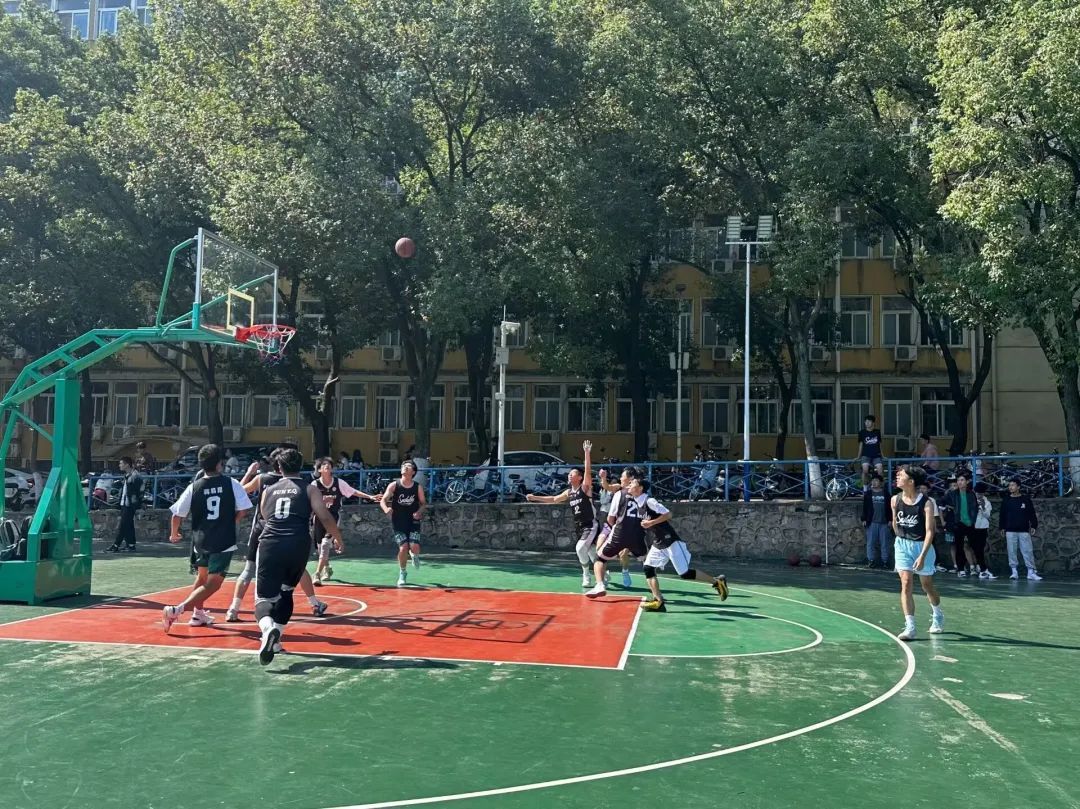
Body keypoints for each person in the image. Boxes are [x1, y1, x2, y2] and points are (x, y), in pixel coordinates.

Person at [254, 447, 345, 665]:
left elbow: (265, 515)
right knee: (286, 591)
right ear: (301, 466)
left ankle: (267, 629)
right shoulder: (310, 489)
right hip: (298, 543)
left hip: (271, 543)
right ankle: (276, 639)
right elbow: (324, 516)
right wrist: (338, 538)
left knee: (263, 598)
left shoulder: (269, 490)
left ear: (279, 467)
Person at [224, 446, 328, 622]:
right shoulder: (297, 483)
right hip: (287, 533)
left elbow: (239, 491)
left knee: (249, 570)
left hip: (262, 530)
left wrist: (249, 473)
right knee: (298, 569)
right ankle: (314, 603)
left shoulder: (262, 478)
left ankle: (233, 609)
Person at [163, 444, 252, 631]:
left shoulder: (194, 487)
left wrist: (174, 533)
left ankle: (198, 614)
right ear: (220, 464)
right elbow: (244, 509)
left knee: (202, 577)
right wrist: (232, 522)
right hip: (223, 541)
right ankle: (177, 610)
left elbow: (177, 515)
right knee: (213, 584)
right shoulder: (231, 483)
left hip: (201, 540)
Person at [637, 483, 729, 612]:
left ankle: (717, 582)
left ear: (640, 487)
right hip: (659, 542)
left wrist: (651, 522)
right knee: (648, 568)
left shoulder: (649, 501)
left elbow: (668, 514)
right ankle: (658, 601)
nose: (629, 486)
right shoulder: (638, 503)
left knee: (685, 573)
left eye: (632, 483)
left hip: (671, 541)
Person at [526, 440, 601, 588]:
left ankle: (586, 575)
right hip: (579, 527)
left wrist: (587, 453)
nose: (569, 476)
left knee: (580, 549)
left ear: (579, 477)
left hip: (590, 525)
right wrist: (535, 497)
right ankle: (603, 574)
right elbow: (554, 499)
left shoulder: (585, 489)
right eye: (569, 474)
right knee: (592, 553)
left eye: (572, 474)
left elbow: (587, 471)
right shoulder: (568, 492)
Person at [891, 464, 944, 640]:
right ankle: (910, 626)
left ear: (911, 481)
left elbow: (930, 531)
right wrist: (900, 541)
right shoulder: (895, 500)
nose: (897, 476)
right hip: (902, 544)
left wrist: (922, 556)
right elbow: (895, 523)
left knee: (926, 585)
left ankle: (937, 614)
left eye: (901, 475)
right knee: (906, 582)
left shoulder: (926, 503)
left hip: (922, 546)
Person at [310, 456, 381, 585]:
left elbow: (353, 492)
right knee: (320, 548)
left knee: (325, 544)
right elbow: (309, 501)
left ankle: (317, 574)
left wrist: (370, 497)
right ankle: (327, 568)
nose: (327, 466)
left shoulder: (339, 483)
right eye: (324, 465)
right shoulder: (315, 485)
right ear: (319, 469)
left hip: (333, 518)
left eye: (329, 464)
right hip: (319, 519)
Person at [585, 467, 651, 599]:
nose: (620, 478)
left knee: (599, 558)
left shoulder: (620, 494)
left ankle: (600, 585)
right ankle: (656, 592)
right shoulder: (645, 497)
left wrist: (610, 531)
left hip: (620, 533)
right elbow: (649, 517)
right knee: (648, 562)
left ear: (630, 479)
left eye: (622, 476)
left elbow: (611, 519)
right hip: (638, 535)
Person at [381, 459, 427, 586]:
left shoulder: (417, 487)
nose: (405, 467)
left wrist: (419, 511)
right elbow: (383, 500)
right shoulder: (394, 485)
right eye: (404, 466)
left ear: (413, 472)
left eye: (408, 466)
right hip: (398, 521)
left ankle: (415, 555)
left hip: (413, 521)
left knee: (414, 546)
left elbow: (423, 503)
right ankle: (402, 572)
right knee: (403, 547)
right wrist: (386, 509)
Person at [944, 473, 991, 578]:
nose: (959, 482)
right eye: (958, 480)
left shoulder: (971, 494)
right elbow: (944, 503)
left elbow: (975, 508)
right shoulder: (953, 494)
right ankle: (961, 569)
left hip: (970, 524)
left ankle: (983, 569)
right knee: (959, 547)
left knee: (977, 547)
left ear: (967, 482)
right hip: (958, 524)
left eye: (962, 480)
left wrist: (972, 520)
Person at [999, 477, 1042, 581]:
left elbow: (1031, 513)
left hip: (1023, 530)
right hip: (1010, 530)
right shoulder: (1006, 500)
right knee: (1012, 551)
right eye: (1009, 485)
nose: (1010, 487)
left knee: (1028, 551)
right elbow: (1002, 515)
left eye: (1013, 485)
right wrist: (1002, 527)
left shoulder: (1025, 499)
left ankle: (1031, 572)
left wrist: (1034, 525)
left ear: (1018, 487)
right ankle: (1014, 571)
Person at [597, 468, 632, 587]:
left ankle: (625, 571)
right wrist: (603, 477)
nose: (621, 479)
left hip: (624, 527)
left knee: (623, 554)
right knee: (599, 549)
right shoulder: (618, 488)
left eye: (622, 476)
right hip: (609, 525)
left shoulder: (634, 491)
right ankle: (603, 577)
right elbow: (607, 487)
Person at [105, 456, 143, 553]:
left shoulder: (135, 476)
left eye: (121, 463)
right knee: (128, 525)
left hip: (130, 505)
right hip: (124, 503)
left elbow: (139, 492)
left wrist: (137, 504)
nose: (119, 465)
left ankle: (116, 545)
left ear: (127, 465)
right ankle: (131, 545)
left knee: (123, 525)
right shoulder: (127, 475)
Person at [861, 474, 892, 569]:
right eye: (873, 480)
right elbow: (865, 508)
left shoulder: (886, 494)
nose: (874, 482)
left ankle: (885, 561)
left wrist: (890, 519)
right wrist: (864, 519)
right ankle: (871, 560)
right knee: (871, 543)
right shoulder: (868, 494)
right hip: (872, 522)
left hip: (884, 522)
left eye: (876, 480)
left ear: (881, 483)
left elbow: (890, 508)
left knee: (884, 543)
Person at [857, 415, 884, 488]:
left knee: (880, 471)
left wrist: (882, 455)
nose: (867, 423)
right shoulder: (862, 432)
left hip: (876, 455)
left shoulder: (877, 432)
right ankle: (865, 489)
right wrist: (858, 456)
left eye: (869, 421)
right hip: (865, 455)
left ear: (873, 423)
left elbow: (880, 444)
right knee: (865, 471)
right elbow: (861, 445)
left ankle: (881, 488)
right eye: (866, 421)